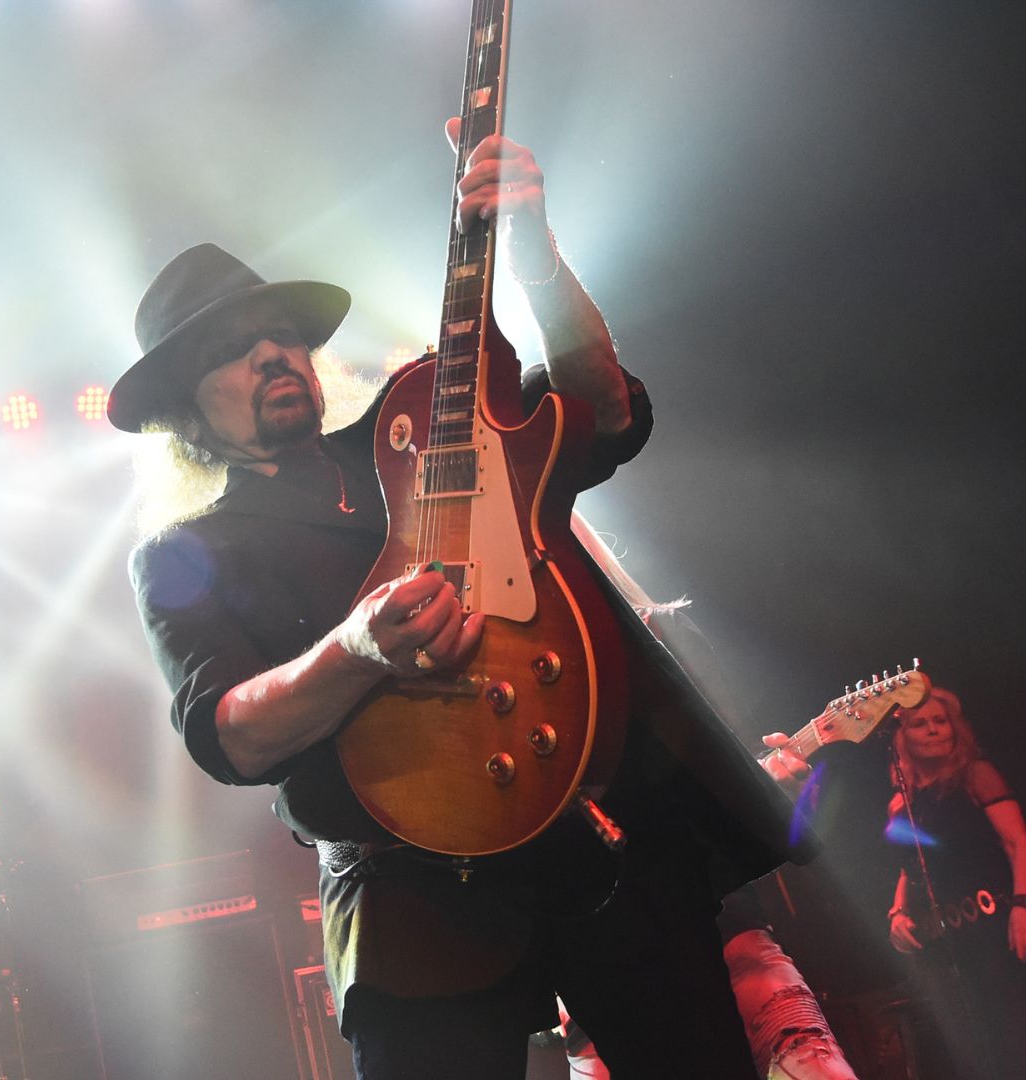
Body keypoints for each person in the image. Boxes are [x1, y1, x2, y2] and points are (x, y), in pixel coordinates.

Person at [120, 118, 813, 1078]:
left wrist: (532, 257)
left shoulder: (417, 434)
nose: (275, 354)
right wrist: (355, 648)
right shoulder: (187, 551)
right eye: (236, 350)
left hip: (599, 819)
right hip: (415, 893)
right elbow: (231, 732)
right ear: (184, 407)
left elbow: (600, 411)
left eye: (281, 333)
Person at [883, 687, 1026, 1080]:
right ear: (903, 736)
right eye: (920, 724)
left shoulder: (975, 774)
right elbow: (909, 867)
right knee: (963, 1048)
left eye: (941, 721)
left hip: (989, 925)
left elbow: (1017, 842)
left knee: (1013, 1039)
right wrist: (897, 912)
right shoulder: (900, 801)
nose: (934, 730)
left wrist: (1024, 905)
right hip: (939, 941)